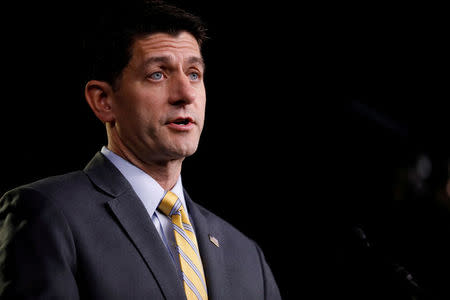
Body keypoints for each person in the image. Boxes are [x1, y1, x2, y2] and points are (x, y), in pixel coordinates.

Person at [0, 1, 281, 299]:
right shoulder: (48, 214)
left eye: (194, 74)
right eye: (157, 74)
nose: (185, 94)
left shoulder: (248, 257)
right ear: (103, 101)